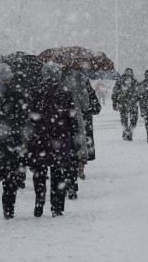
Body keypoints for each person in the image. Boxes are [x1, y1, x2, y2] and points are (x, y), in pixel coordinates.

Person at [27, 62, 79, 218]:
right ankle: (57, 206)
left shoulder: (34, 91)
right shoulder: (65, 92)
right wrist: (75, 137)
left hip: (39, 137)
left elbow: (28, 117)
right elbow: (72, 118)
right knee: (58, 173)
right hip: (59, 137)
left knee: (39, 172)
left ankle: (39, 202)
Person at [0, 63, 29, 220]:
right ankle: (9, 207)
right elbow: (24, 119)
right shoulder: (17, 96)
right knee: (11, 174)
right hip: (12, 140)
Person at [61, 69, 89, 200]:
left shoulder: (58, 83)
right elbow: (85, 105)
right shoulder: (79, 83)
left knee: (61, 152)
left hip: (58, 122)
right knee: (76, 149)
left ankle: (62, 182)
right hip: (75, 121)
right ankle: (77, 173)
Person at [111, 68, 139, 141]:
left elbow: (139, 92)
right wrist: (114, 102)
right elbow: (115, 92)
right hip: (126, 103)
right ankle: (127, 133)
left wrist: (114, 102)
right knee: (127, 120)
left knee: (130, 120)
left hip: (129, 103)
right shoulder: (121, 81)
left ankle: (127, 132)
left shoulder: (134, 82)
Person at [81, 78, 101, 175]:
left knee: (82, 144)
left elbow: (97, 107)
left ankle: (80, 166)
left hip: (83, 123)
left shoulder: (88, 89)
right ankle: (79, 166)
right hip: (76, 122)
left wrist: (86, 111)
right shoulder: (66, 89)